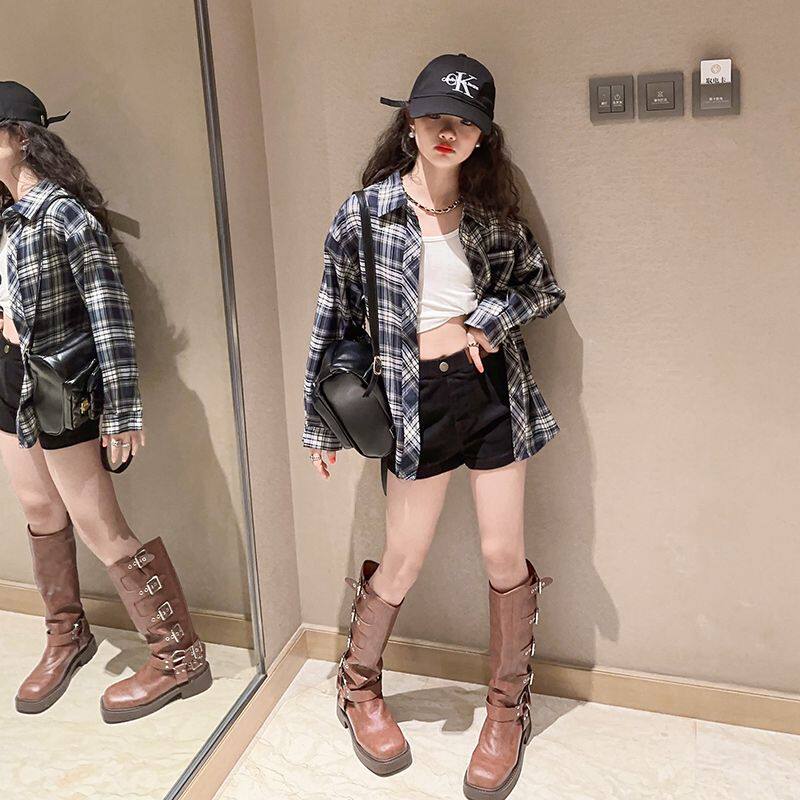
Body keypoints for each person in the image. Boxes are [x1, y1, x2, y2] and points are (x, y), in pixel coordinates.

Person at [301, 54, 566, 798]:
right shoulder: (364, 214)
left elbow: (541, 288)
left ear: (482, 137)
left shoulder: (491, 216)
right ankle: (358, 687)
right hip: (411, 401)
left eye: (464, 122)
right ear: (409, 123)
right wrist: (319, 425)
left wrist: (487, 321)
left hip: (491, 392)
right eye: (434, 117)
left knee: (503, 552)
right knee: (403, 557)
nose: (448, 132)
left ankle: (507, 710)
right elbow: (332, 319)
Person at [0, 81, 210, 723]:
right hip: (9, 378)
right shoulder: (5, 215)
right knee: (38, 508)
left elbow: (110, 318)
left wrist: (121, 410)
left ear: (20, 138)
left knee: (99, 524)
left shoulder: (65, 216)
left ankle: (178, 656)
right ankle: (66, 635)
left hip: (63, 384)